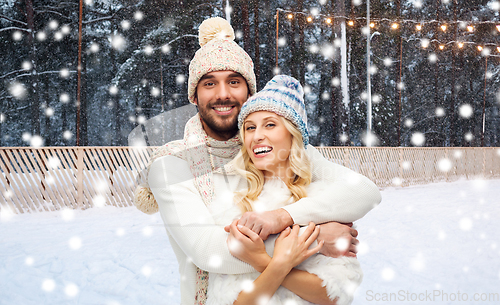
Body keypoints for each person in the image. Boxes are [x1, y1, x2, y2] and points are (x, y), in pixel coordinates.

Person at [134, 17, 381, 304]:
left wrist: (282, 218)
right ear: (194, 95)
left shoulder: (271, 149)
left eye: (234, 82)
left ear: (249, 92)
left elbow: (365, 192)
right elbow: (208, 251)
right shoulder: (171, 164)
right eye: (209, 83)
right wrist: (314, 239)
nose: (223, 94)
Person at [205, 75, 364, 305]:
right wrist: (284, 259)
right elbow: (230, 300)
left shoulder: (325, 199)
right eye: (250, 128)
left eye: (270, 124)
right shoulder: (233, 202)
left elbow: (332, 295)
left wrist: (260, 260)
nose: (257, 135)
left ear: (293, 134)